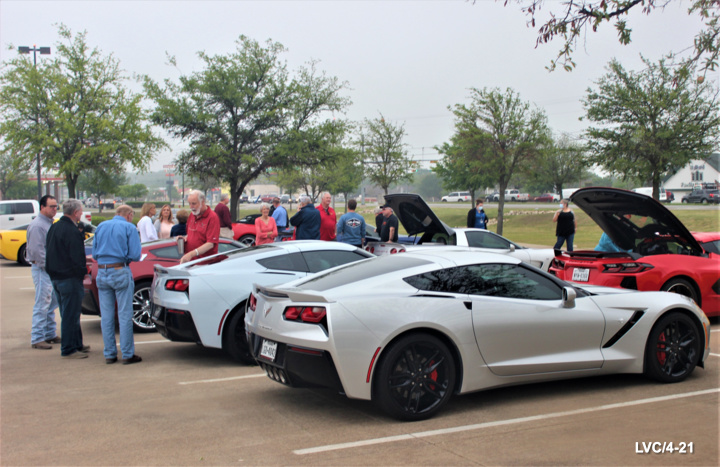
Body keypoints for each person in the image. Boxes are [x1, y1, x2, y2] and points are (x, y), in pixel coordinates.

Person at [93, 205, 143, 365]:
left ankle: (109, 353)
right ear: (129, 215)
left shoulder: (101, 226)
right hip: (120, 269)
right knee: (124, 314)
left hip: (102, 271)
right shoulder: (129, 227)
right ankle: (127, 354)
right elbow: (135, 255)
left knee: (106, 315)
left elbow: (94, 253)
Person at [45, 199, 90, 359]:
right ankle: (68, 348)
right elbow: (77, 256)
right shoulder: (71, 231)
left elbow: (49, 250)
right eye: (81, 211)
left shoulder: (55, 227)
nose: (81, 214)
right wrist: (83, 272)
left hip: (56, 276)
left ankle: (77, 343)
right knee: (71, 314)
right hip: (69, 277)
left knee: (68, 313)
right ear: (76, 212)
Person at [26, 195, 60, 350]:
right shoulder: (38, 226)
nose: (54, 209)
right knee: (42, 302)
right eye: (51, 206)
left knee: (51, 302)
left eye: (56, 206)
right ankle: (37, 337)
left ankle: (49, 333)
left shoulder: (48, 224)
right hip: (42, 269)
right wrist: (51, 267)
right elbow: (37, 252)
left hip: (49, 269)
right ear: (42, 207)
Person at [180, 190, 220, 264]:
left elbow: (210, 244)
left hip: (204, 263)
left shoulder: (212, 217)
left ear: (202, 202)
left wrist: (191, 254)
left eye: (194, 203)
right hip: (191, 262)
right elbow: (191, 234)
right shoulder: (192, 215)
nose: (191, 207)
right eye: (189, 203)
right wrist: (184, 238)